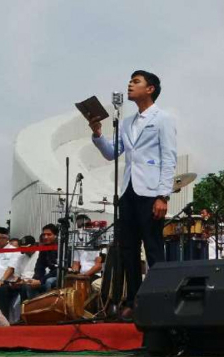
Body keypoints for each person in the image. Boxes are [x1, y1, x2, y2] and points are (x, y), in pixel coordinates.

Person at [89, 70, 177, 321]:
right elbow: (110, 153)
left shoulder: (163, 119)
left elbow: (169, 158)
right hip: (128, 190)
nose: (130, 85)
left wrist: (163, 195)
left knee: (152, 245)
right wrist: (97, 133)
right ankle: (133, 300)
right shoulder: (126, 122)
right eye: (130, 81)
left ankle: (160, 298)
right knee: (127, 248)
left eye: (136, 82)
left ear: (150, 89)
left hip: (150, 191)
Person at [20, 225, 59, 301]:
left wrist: (41, 281)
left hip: (61, 275)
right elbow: (39, 266)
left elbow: (58, 269)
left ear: (56, 235)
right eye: (44, 235)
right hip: (50, 275)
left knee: (48, 282)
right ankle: (34, 308)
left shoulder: (62, 247)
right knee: (30, 284)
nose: (45, 237)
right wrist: (36, 279)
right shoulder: (44, 248)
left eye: (49, 234)